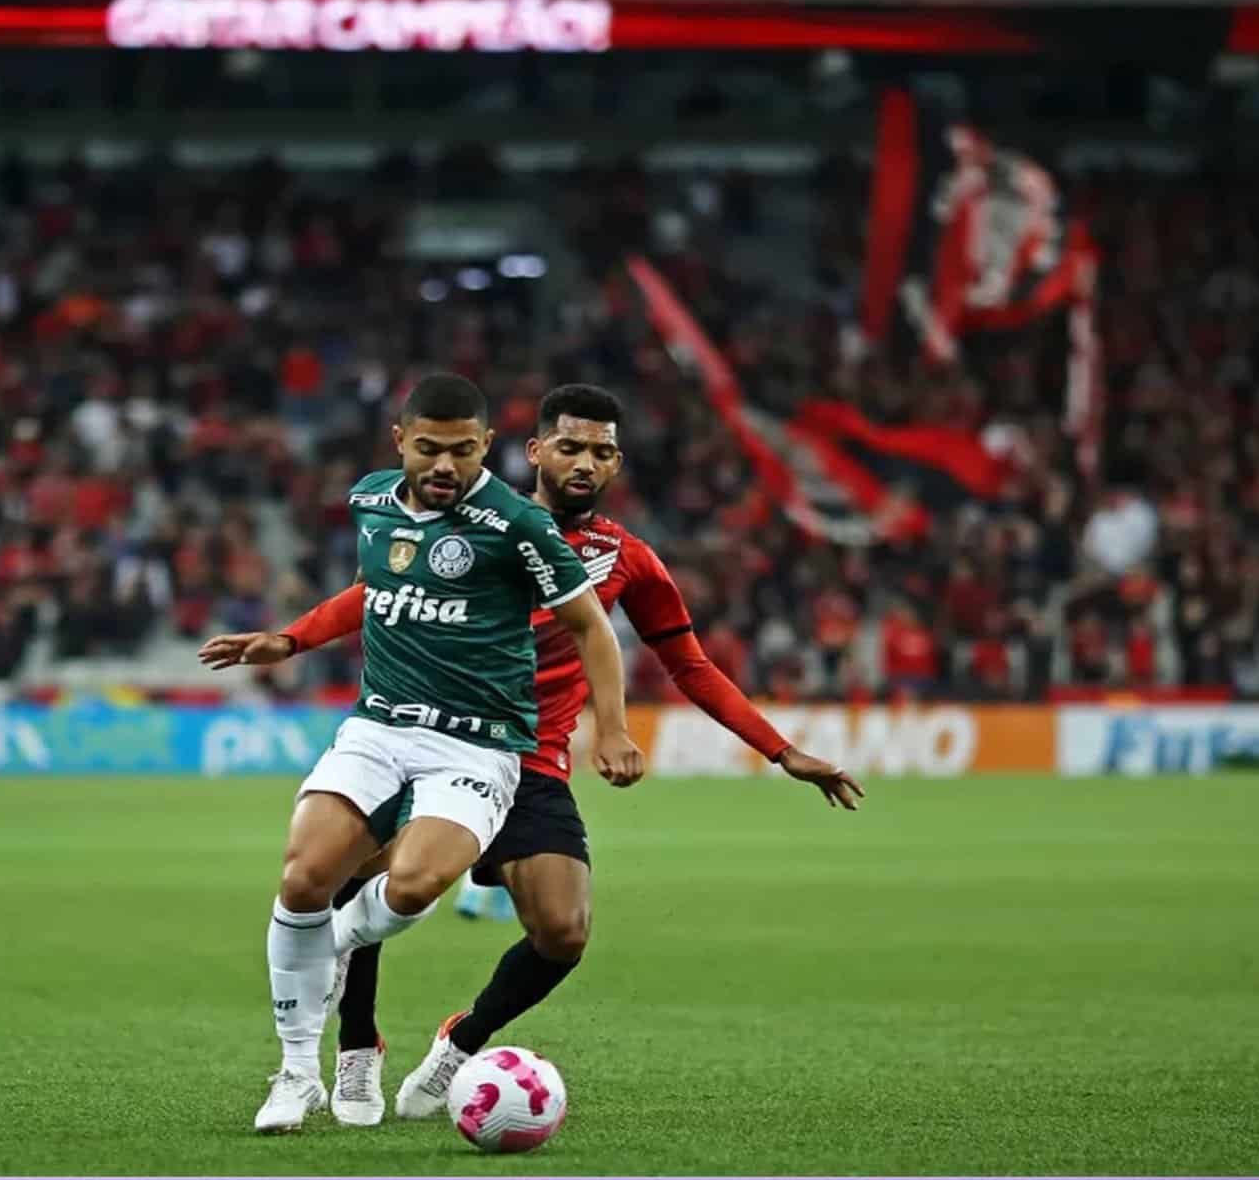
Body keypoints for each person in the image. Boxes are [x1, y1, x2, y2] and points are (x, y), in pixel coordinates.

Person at [203, 383, 860, 1127]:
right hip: (425, 733)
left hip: (527, 760)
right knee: (355, 868)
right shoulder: (470, 515)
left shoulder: (625, 559)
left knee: (562, 931)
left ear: (617, 463)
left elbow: (689, 665)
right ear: (534, 451)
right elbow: (377, 590)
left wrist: (779, 750)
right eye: (570, 447)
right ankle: (356, 1046)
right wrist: (292, 638)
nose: (585, 463)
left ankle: (460, 1043)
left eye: (602, 452)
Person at [200, 372, 645, 1133]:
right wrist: (290, 639)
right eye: (430, 448)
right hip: (378, 728)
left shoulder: (518, 526)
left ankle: (340, 941)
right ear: (400, 441)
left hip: (476, 743)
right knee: (303, 876)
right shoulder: (371, 500)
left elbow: (591, 628)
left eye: (463, 451)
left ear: (488, 447)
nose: (445, 465)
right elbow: (374, 588)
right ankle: (298, 1073)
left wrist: (611, 727)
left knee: (410, 888)